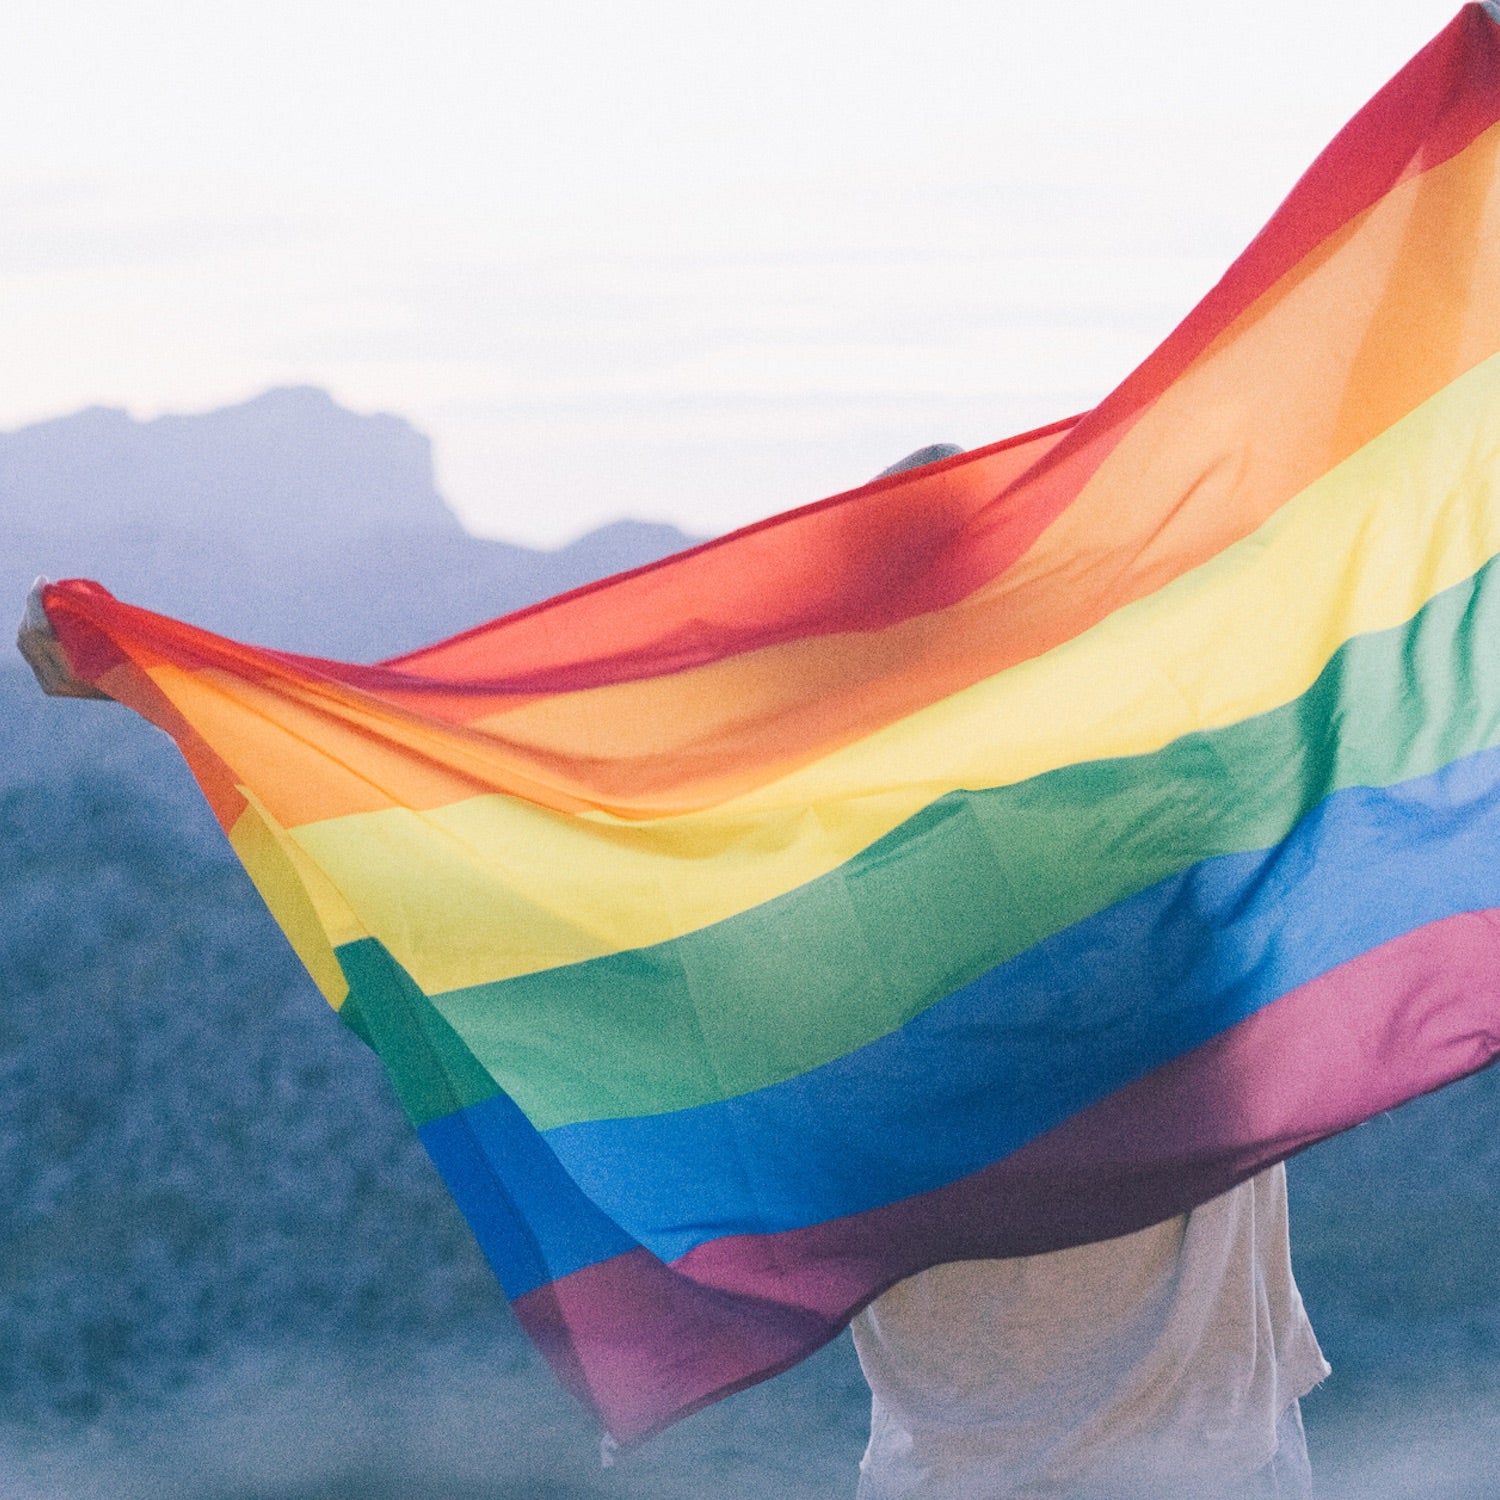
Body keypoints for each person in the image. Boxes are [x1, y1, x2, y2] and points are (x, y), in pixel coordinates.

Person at [18, 452, 1329, 1497]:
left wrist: (180, 697)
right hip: (1217, 1470)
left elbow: (484, 883)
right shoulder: (1175, 848)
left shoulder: (810, 935)